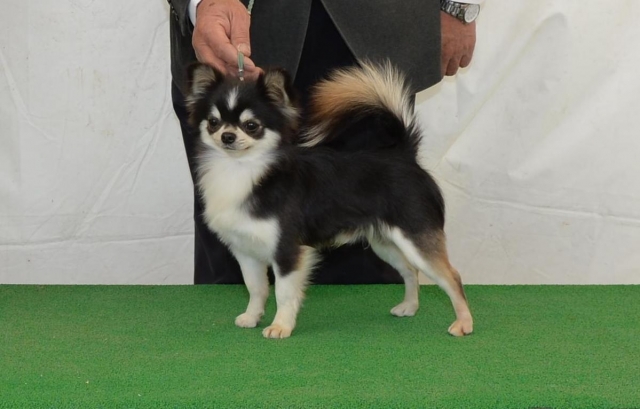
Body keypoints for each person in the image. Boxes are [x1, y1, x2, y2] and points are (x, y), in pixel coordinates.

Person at [167, 0, 481, 284]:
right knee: (231, 273)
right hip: (234, 39)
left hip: (372, 35)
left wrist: (459, 5)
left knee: (372, 279)